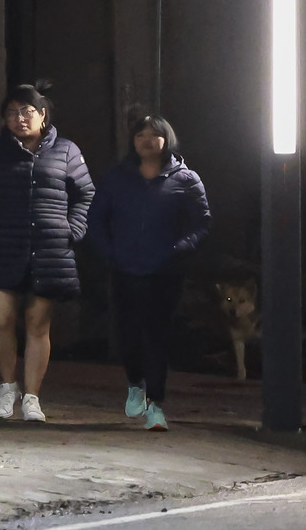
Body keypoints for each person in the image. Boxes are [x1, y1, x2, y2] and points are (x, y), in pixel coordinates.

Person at [0, 82, 94, 422]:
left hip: (48, 249)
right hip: (2, 247)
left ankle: (32, 398)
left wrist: (72, 230)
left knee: (38, 323)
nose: (19, 119)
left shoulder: (66, 151)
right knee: (2, 318)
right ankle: (7, 387)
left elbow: (86, 195)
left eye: (26, 112)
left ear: (43, 115)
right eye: (11, 113)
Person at [87, 114, 211, 431]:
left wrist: (180, 248)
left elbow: (202, 221)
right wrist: (109, 251)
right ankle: (135, 384)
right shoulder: (118, 178)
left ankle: (156, 406)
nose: (146, 140)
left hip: (165, 271)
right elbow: (96, 217)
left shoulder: (186, 179)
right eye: (140, 134)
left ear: (166, 140)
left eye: (154, 135)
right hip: (124, 267)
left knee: (157, 336)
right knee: (128, 333)